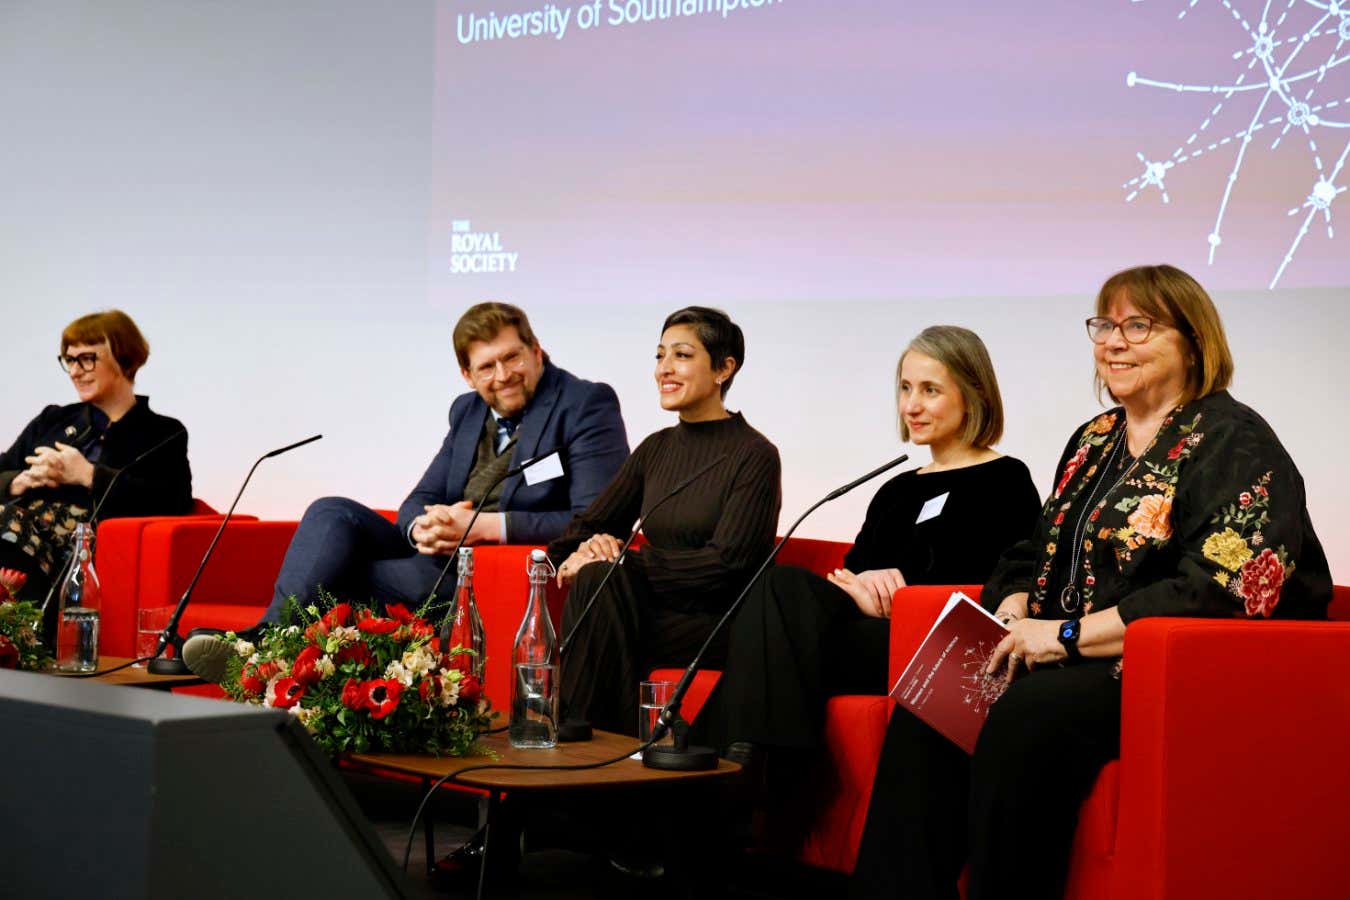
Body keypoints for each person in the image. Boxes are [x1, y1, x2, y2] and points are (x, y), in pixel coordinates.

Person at [850, 265, 1332, 899]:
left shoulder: (1232, 440)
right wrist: (1018, 605)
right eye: (1105, 325)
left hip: (1173, 670)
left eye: (1139, 326)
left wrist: (1068, 636)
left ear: (1194, 341)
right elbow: (1031, 549)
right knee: (938, 699)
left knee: (1027, 712)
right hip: (1065, 652)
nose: (1113, 342)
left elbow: (1222, 588)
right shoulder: (1094, 439)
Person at [182, 301, 629, 681]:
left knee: (334, 576)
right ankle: (267, 636)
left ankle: (258, 652)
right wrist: (423, 528)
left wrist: (480, 528)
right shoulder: (468, 411)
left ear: (536, 351)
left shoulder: (584, 404)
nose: (503, 375)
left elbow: (593, 518)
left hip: (485, 570)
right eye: (487, 367)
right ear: (467, 375)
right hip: (437, 554)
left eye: (512, 358)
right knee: (331, 511)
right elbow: (419, 498)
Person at [693, 326, 1041, 766]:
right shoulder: (896, 488)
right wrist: (863, 586)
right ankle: (750, 762)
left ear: (974, 394)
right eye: (905, 388)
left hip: (931, 648)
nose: (911, 406)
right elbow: (849, 575)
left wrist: (904, 603)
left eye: (930, 390)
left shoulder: (1005, 480)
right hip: (865, 634)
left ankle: (717, 765)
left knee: (776, 625)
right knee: (779, 585)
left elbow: (999, 585)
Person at [547, 306, 782, 737]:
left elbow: (729, 564)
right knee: (599, 578)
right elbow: (578, 533)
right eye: (659, 356)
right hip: (648, 610)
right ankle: (596, 749)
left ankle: (578, 742)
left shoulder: (754, 455)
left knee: (605, 582)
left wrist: (625, 562)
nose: (664, 369)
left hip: (715, 620)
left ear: (724, 369)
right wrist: (588, 549)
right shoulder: (656, 448)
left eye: (682, 355)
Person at [0, 310, 192, 602]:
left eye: (87, 358)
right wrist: (20, 481)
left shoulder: (163, 432)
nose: (76, 371)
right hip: (18, 530)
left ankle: (26, 636)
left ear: (124, 359)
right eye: (69, 360)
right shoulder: (52, 420)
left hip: (89, 542)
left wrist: (88, 475)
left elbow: (173, 501)